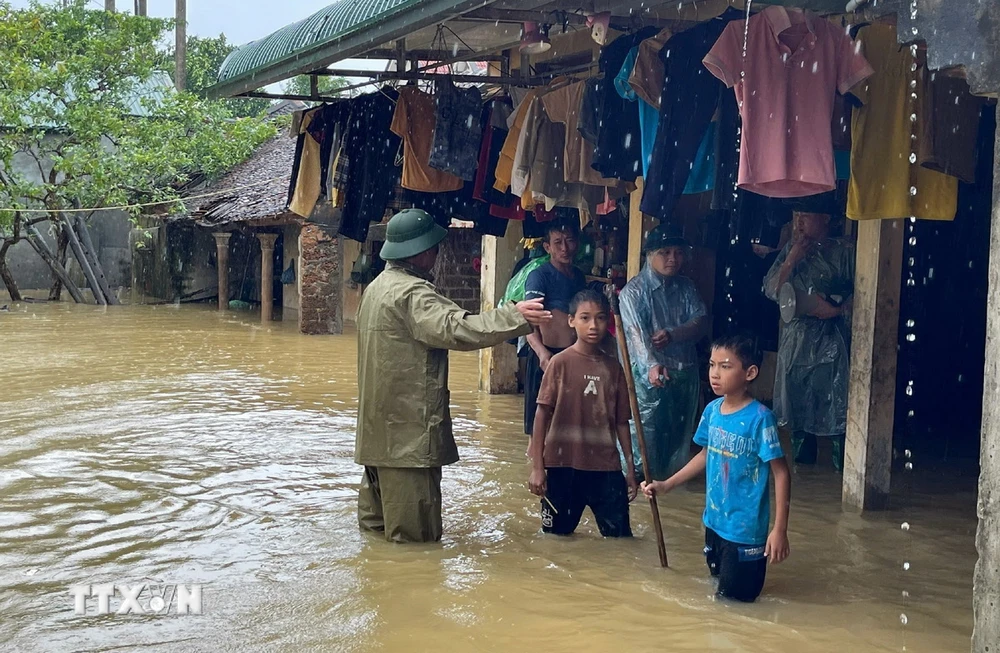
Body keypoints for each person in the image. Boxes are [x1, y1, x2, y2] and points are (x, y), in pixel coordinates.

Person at [355, 208, 551, 543]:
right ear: (422, 252)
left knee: (379, 542)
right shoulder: (412, 294)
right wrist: (513, 316)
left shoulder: (376, 288)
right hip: (409, 444)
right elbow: (458, 329)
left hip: (378, 439)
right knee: (416, 549)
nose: (437, 254)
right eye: (433, 248)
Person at [642, 334, 791, 603]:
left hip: (745, 533)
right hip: (714, 523)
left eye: (725, 366)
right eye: (712, 365)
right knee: (719, 596)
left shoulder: (761, 419)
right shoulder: (712, 411)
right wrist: (667, 485)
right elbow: (705, 454)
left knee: (734, 605)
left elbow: (781, 473)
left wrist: (779, 530)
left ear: (750, 373)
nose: (715, 374)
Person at [528, 290, 638, 537]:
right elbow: (541, 416)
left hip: (606, 468)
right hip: (561, 465)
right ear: (571, 321)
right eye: (585, 318)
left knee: (620, 540)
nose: (593, 326)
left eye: (600, 318)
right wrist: (537, 467)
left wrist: (630, 470)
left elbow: (622, 423)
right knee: (555, 539)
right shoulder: (559, 363)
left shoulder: (614, 368)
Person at [764, 211, 855, 471]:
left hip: (834, 336)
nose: (799, 222)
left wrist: (837, 310)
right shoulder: (791, 251)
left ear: (827, 217)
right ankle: (804, 478)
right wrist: (791, 259)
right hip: (797, 338)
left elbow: (867, 291)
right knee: (798, 408)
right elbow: (772, 291)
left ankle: (842, 471)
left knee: (837, 405)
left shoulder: (845, 251)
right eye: (795, 216)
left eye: (806, 216)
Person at [619, 225, 708, 482]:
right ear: (649, 254)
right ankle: (639, 482)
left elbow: (700, 321)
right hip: (650, 377)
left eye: (678, 253)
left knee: (678, 436)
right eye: (665, 252)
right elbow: (635, 335)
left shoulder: (686, 287)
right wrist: (651, 367)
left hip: (684, 372)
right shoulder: (633, 292)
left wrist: (674, 333)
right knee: (645, 435)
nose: (673, 259)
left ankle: (670, 485)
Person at [522, 218, 587, 436]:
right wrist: (542, 354)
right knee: (540, 426)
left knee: (569, 424)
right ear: (547, 247)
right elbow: (528, 322)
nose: (565, 248)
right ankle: (537, 469)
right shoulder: (539, 277)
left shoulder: (578, 276)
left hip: (573, 358)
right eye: (558, 242)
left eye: (569, 241)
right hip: (547, 357)